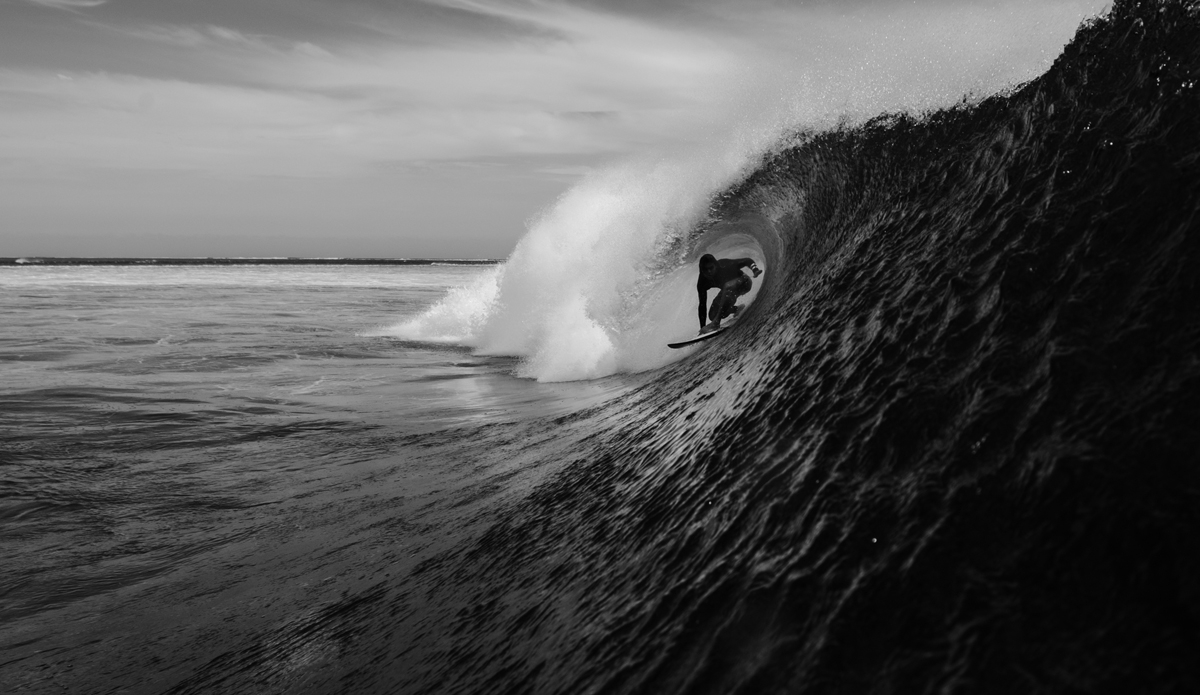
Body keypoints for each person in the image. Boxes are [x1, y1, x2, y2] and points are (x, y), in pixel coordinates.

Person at [696, 253, 761, 333]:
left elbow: (747, 260)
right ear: (702, 269)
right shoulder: (702, 281)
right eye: (705, 269)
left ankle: (716, 323)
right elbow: (702, 305)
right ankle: (737, 309)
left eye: (711, 268)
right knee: (712, 315)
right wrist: (703, 328)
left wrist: (755, 270)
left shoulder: (725, 265)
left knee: (727, 286)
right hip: (728, 291)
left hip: (744, 282)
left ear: (715, 265)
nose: (709, 271)